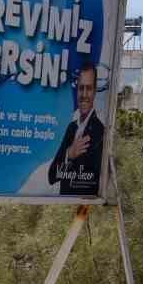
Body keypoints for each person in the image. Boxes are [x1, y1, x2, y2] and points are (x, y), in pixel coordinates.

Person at [48, 64, 104, 196]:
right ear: (76, 91)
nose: (84, 94)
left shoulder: (100, 131)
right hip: (63, 209)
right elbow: (51, 176)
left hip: (83, 209)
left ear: (95, 91)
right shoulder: (71, 127)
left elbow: (95, 183)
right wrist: (69, 155)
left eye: (89, 88)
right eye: (81, 88)